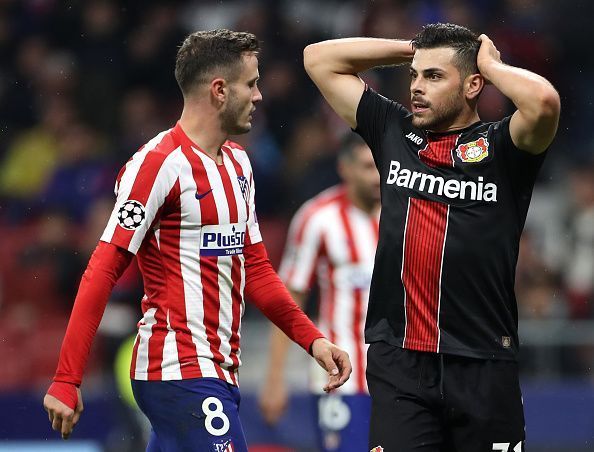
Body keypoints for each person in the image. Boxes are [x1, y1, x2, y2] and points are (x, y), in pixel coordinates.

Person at [42, 29, 352, 452]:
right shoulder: (156, 166)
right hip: (177, 368)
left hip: (219, 371)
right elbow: (102, 269)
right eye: (251, 83)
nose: (259, 96)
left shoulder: (240, 165)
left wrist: (312, 340)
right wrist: (66, 377)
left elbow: (256, 271)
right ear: (219, 90)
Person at [303, 23, 560, 451]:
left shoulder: (502, 147)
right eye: (414, 76)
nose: (417, 87)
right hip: (400, 359)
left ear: (474, 84)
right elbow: (318, 58)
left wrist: (489, 63)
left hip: (482, 359)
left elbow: (544, 102)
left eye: (434, 76)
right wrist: (417, 51)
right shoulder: (393, 131)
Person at [259, 134, 380, 451]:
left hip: (397, 378)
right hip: (341, 377)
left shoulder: (404, 215)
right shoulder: (317, 218)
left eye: (380, 166)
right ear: (346, 168)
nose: (377, 176)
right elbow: (288, 299)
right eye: (368, 167)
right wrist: (275, 379)